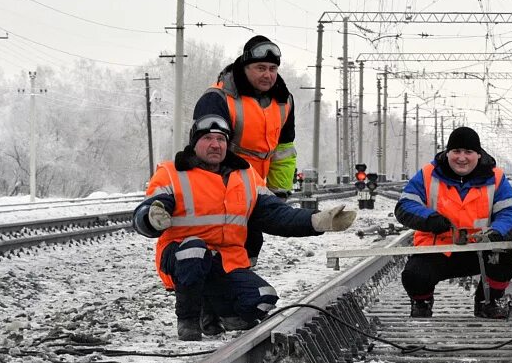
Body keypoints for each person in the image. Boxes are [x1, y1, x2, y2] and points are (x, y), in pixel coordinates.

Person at [133, 114, 356, 341]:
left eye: (221, 139)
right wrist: (151, 217)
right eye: (207, 138)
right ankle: (189, 320)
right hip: (182, 258)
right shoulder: (173, 173)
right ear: (194, 142)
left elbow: (276, 214)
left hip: (225, 263)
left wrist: (317, 221)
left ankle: (216, 312)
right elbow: (150, 210)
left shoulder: (246, 176)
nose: (215, 145)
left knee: (263, 299)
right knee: (195, 248)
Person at [395, 126, 512, 319]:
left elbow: (510, 211)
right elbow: (405, 206)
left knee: (509, 254)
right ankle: (422, 302)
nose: (461, 157)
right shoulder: (428, 174)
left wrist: (497, 232)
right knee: (414, 276)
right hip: (438, 249)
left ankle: (488, 302)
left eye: (468, 152)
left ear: (478, 155)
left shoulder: (495, 177)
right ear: (447, 153)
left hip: (479, 248)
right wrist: (431, 219)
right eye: (456, 151)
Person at [193, 35, 296, 266]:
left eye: (272, 69)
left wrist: (278, 195)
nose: (268, 75)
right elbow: (207, 151)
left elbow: (283, 152)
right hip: (221, 195)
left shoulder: (284, 101)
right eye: (260, 68)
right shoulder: (217, 99)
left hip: (256, 195)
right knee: (222, 253)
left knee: (250, 247)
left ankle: (241, 289)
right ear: (244, 66)